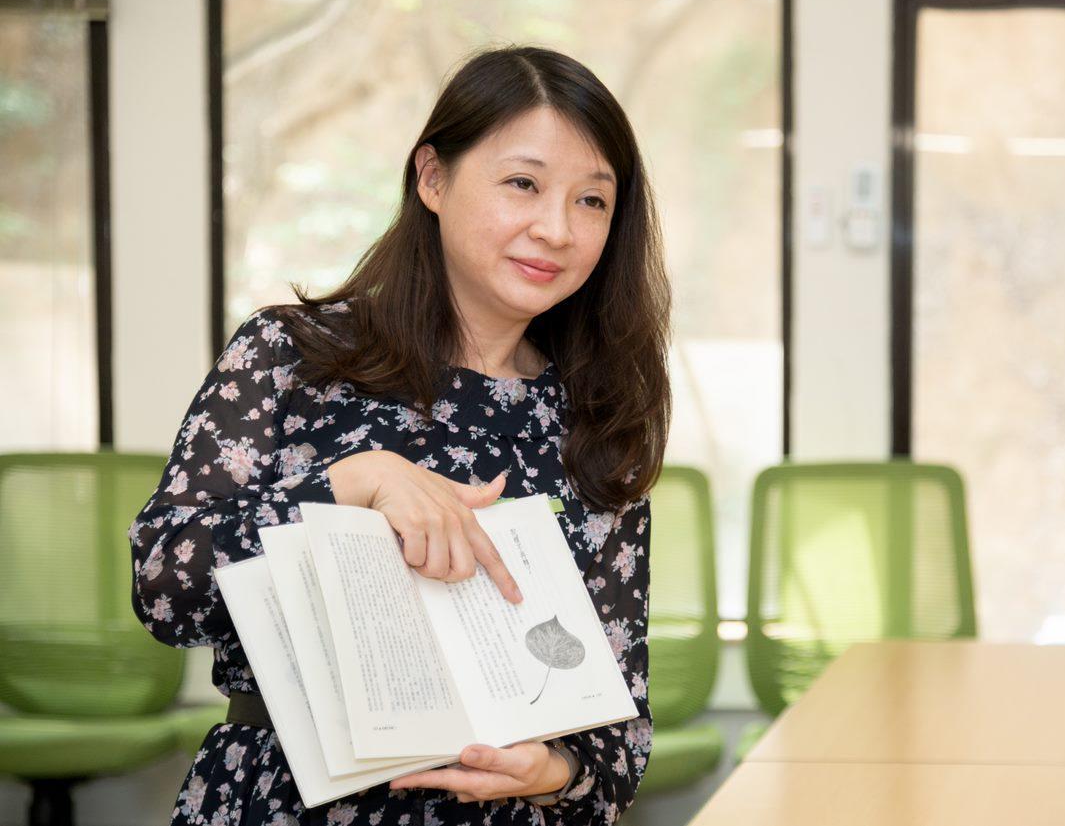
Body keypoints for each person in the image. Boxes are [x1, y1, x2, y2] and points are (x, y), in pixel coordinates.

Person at [129, 44, 670, 826]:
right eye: (524, 183)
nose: (557, 228)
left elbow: (622, 733)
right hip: (284, 803)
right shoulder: (291, 355)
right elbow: (163, 588)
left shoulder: (596, 416)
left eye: (592, 201)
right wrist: (351, 482)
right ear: (432, 178)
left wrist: (553, 769)